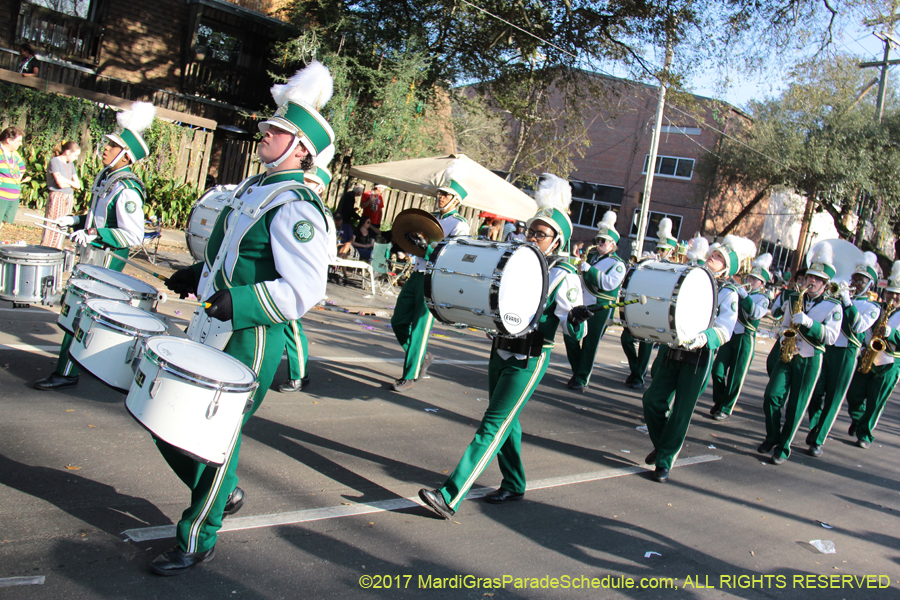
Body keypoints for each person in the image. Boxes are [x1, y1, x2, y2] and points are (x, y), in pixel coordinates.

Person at [152, 61, 335, 576]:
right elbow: (231, 253)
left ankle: (197, 535)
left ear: (301, 148)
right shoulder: (256, 189)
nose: (266, 133)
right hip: (213, 324)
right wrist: (199, 274)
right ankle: (224, 491)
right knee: (164, 418)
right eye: (270, 127)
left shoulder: (300, 206)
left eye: (278, 131)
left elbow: (304, 290)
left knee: (212, 437)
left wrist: (243, 302)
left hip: (249, 337)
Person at [418, 174, 588, 519]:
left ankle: (450, 495)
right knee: (506, 421)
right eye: (531, 231)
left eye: (540, 233)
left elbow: (575, 331)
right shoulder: (518, 261)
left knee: (492, 425)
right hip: (500, 350)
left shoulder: (564, 274)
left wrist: (578, 317)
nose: (532, 237)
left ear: (557, 241)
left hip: (529, 358)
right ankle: (514, 482)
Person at [33, 104, 155, 390]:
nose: (105, 149)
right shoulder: (107, 178)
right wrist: (75, 221)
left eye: (112, 147)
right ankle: (73, 367)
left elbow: (133, 235)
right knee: (78, 311)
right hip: (93, 253)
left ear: (126, 155)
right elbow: (96, 216)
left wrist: (95, 234)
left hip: (107, 259)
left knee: (81, 312)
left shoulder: (127, 188)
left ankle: (67, 372)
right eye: (107, 144)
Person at [643, 235, 754, 483]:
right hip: (672, 349)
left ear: (727, 267)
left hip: (700, 356)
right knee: (652, 400)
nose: (712, 258)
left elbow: (725, 328)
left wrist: (704, 338)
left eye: (718, 258)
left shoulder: (729, 293)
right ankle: (663, 446)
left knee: (681, 411)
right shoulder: (691, 277)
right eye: (713, 254)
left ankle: (664, 461)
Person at [758, 242, 842, 465]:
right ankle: (772, 436)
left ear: (825, 284)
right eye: (809, 277)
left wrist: (809, 323)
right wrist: (781, 335)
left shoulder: (834, 306)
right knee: (771, 396)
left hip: (810, 358)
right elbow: (784, 324)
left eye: (817, 279)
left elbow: (831, 337)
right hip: (788, 355)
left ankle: (783, 447)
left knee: (796, 406)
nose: (811, 281)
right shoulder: (796, 298)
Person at [390, 160, 470, 392]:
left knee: (420, 328)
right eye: (440, 193)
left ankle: (410, 375)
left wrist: (425, 248)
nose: (440, 197)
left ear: (456, 200)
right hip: (416, 275)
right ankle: (422, 357)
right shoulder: (431, 218)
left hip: (434, 280)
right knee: (398, 321)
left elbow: (452, 256)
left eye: (446, 194)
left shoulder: (459, 224)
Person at [805, 252, 880, 456]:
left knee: (834, 398)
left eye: (861, 280)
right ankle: (815, 426)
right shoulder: (840, 297)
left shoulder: (873, 307)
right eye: (854, 278)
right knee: (815, 392)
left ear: (870, 284)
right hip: (828, 348)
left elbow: (858, 326)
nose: (855, 282)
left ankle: (819, 440)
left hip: (847, 353)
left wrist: (847, 302)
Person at [279, 147, 337, 394]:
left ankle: (299, 375)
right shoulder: (293, 203)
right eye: (305, 179)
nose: (305, 184)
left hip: (297, 277)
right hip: (281, 271)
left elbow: (324, 254)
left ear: (321, 188)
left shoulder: (317, 212)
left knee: (291, 325)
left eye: (311, 182)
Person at [565, 210, 626, 391]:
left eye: (603, 241)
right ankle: (577, 371)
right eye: (597, 240)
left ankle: (582, 378)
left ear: (612, 244)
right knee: (571, 335)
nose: (598, 243)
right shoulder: (592, 257)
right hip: (582, 302)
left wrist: (589, 270)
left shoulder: (618, 264)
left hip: (600, 306)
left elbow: (608, 283)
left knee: (590, 343)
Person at [709, 253, 773, 421]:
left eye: (755, 279)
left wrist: (743, 295)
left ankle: (726, 407)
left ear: (762, 283)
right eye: (750, 277)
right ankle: (719, 399)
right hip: (730, 335)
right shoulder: (740, 291)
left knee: (736, 375)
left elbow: (754, 313)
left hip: (746, 337)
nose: (751, 281)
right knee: (717, 370)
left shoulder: (763, 299)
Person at [845, 261, 900, 449]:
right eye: (891, 292)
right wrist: (863, 347)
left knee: (876, 402)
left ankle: (865, 434)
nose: (894, 297)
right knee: (853, 395)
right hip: (868, 355)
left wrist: (890, 333)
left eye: (898, 294)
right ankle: (859, 420)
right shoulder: (877, 307)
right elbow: (866, 329)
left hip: (890, 362)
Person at [41, 141, 82, 248]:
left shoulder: (70, 164)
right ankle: (47, 248)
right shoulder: (55, 161)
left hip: (68, 196)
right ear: (67, 152)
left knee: (63, 225)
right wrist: (69, 182)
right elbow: (59, 183)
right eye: (75, 155)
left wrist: (66, 180)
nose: (76, 158)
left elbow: (78, 185)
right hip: (57, 196)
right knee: (53, 223)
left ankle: (57, 248)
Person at [0, 127, 26, 234]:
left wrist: (15, 180)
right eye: (18, 141)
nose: (20, 144)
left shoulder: (14, 154)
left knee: (2, 223)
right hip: (1, 195)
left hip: (12, 196)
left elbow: (22, 169)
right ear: (8, 140)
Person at [329, 212, 355, 284]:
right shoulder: (331, 227)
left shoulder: (346, 227)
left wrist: (346, 243)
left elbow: (351, 239)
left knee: (345, 247)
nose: (338, 222)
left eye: (339, 220)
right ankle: (345, 275)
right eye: (336, 220)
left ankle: (335, 263)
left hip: (345, 246)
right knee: (344, 255)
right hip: (334, 246)